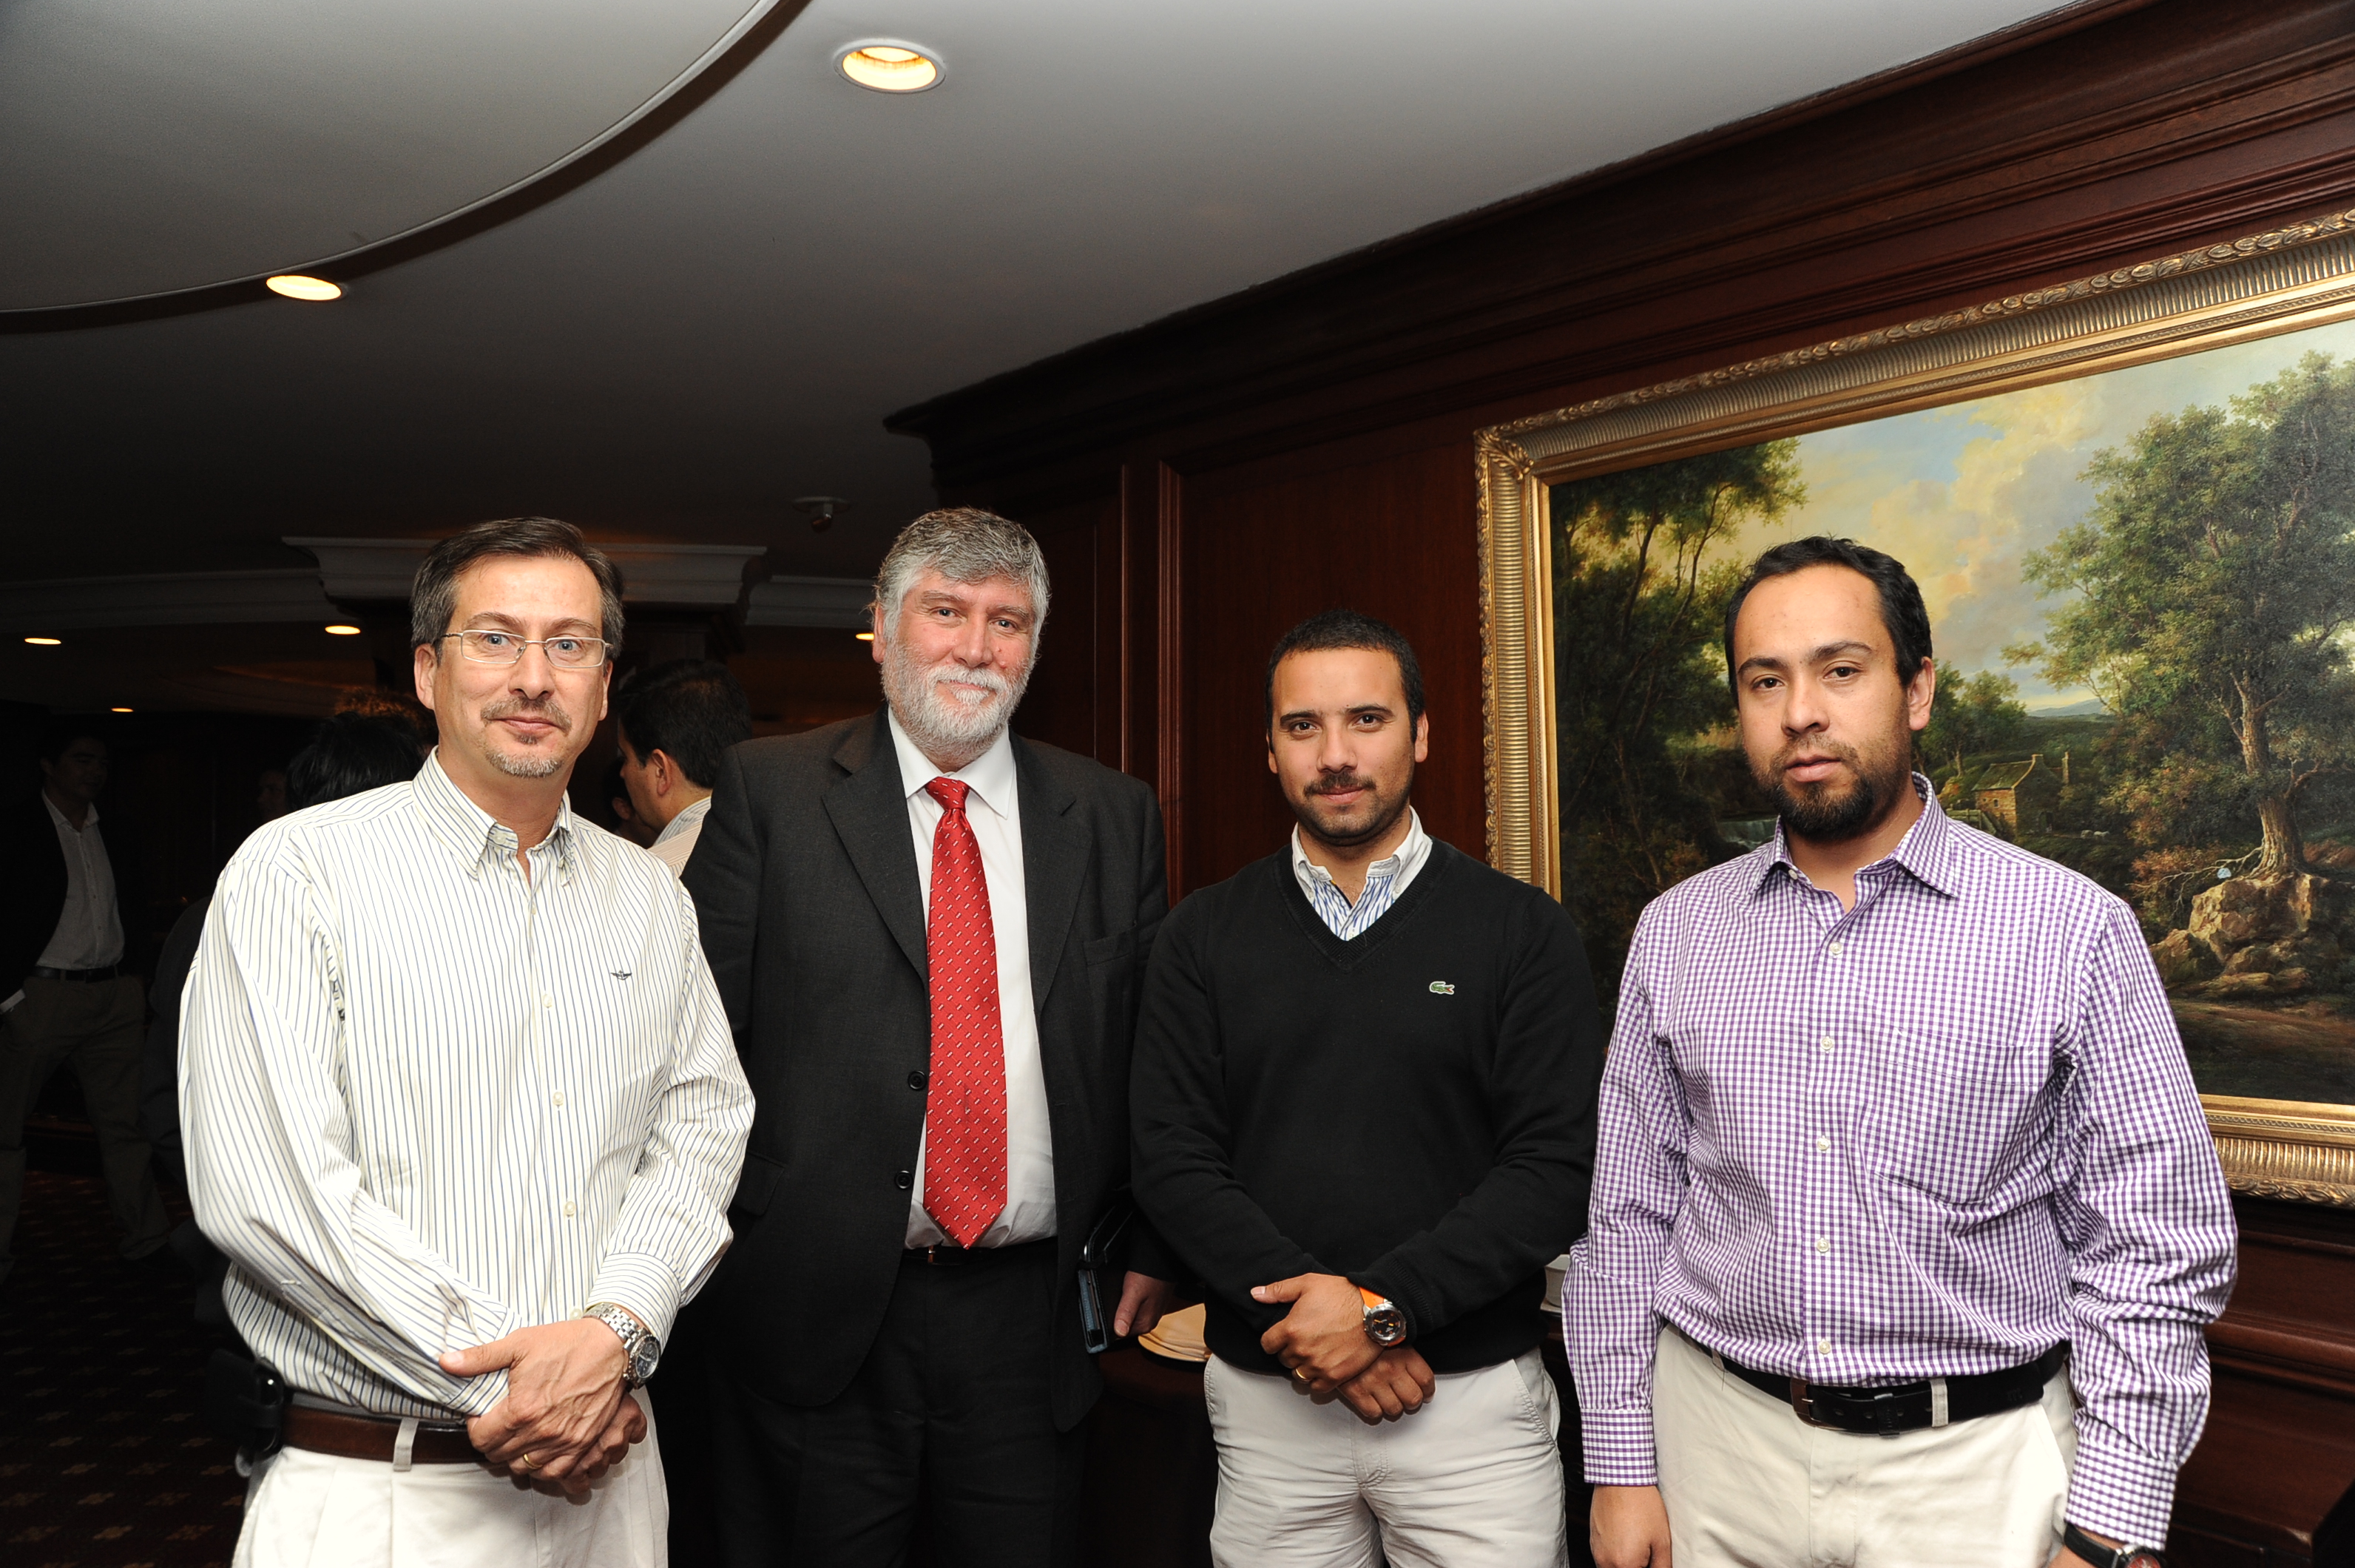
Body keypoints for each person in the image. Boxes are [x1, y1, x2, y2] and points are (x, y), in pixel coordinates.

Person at [1571, 536, 2237, 1568]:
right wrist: (1621, 1462)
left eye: (1840, 670)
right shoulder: (1677, 931)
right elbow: (1627, 1218)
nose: (1801, 712)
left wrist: (2110, 1531)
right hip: (1716, 1451)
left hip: (1975, 1473)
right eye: (1764, 681)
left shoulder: (2070, 929)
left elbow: (2155, 1242)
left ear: (1916, 689)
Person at [181, 517, 754, 1567]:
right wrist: (532, 1391)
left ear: (603, 685)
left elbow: (702, 1130)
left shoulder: (649, 897)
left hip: (610, 1490)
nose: (534, 677)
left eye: (569, 645)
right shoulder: (297, 872)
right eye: (495, 638)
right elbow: (272, 1192)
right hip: (385, 1494)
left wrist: (617, 1333)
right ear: (426, 671)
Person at [682, 506, 1180, 1566]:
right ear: (881, 627)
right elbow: (698, 1048)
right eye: (945, 612)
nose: (976, 647)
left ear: (1033, 644)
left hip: (1032, 1321)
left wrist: (1151, 1241)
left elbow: (1149, 1056)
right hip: (811, 1313)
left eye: (1007, 621)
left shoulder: (1112, 814)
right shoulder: (772, 791)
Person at [1130, 609, 1605, 1568]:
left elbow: (1553, 1168)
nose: (1336, 754)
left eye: (1367, 720)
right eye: (1302, 725)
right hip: (1270, 1404)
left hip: (1469, 1411)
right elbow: (1172, 1160)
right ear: (1270, 749)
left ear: (1421, 734)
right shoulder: (1200, 937)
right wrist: (1317, 1330)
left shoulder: (1523, 932)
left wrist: (1383, 1313)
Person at [141, 706, 428, 1331]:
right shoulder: (231, 914)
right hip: (268, 1272)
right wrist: (234, 1204)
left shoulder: (423, 921)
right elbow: (169, 1096)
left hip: (413, 1261)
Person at [0, 723, 170, 1286]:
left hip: (113, 995)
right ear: (48, 765)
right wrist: (11, 996)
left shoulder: (115, 829)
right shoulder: (16, 828)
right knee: (6, 1132)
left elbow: (137, 906)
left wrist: (137, 981)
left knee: (125, 1126)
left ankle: (146, 1240)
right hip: (41, 995)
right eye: (82, 759)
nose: (95, 771)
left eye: (101, 762)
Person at [614, 658, 754, 876]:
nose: (622, 773)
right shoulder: (777, 853)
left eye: (626, 758)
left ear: (661, 771)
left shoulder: (649, 879)